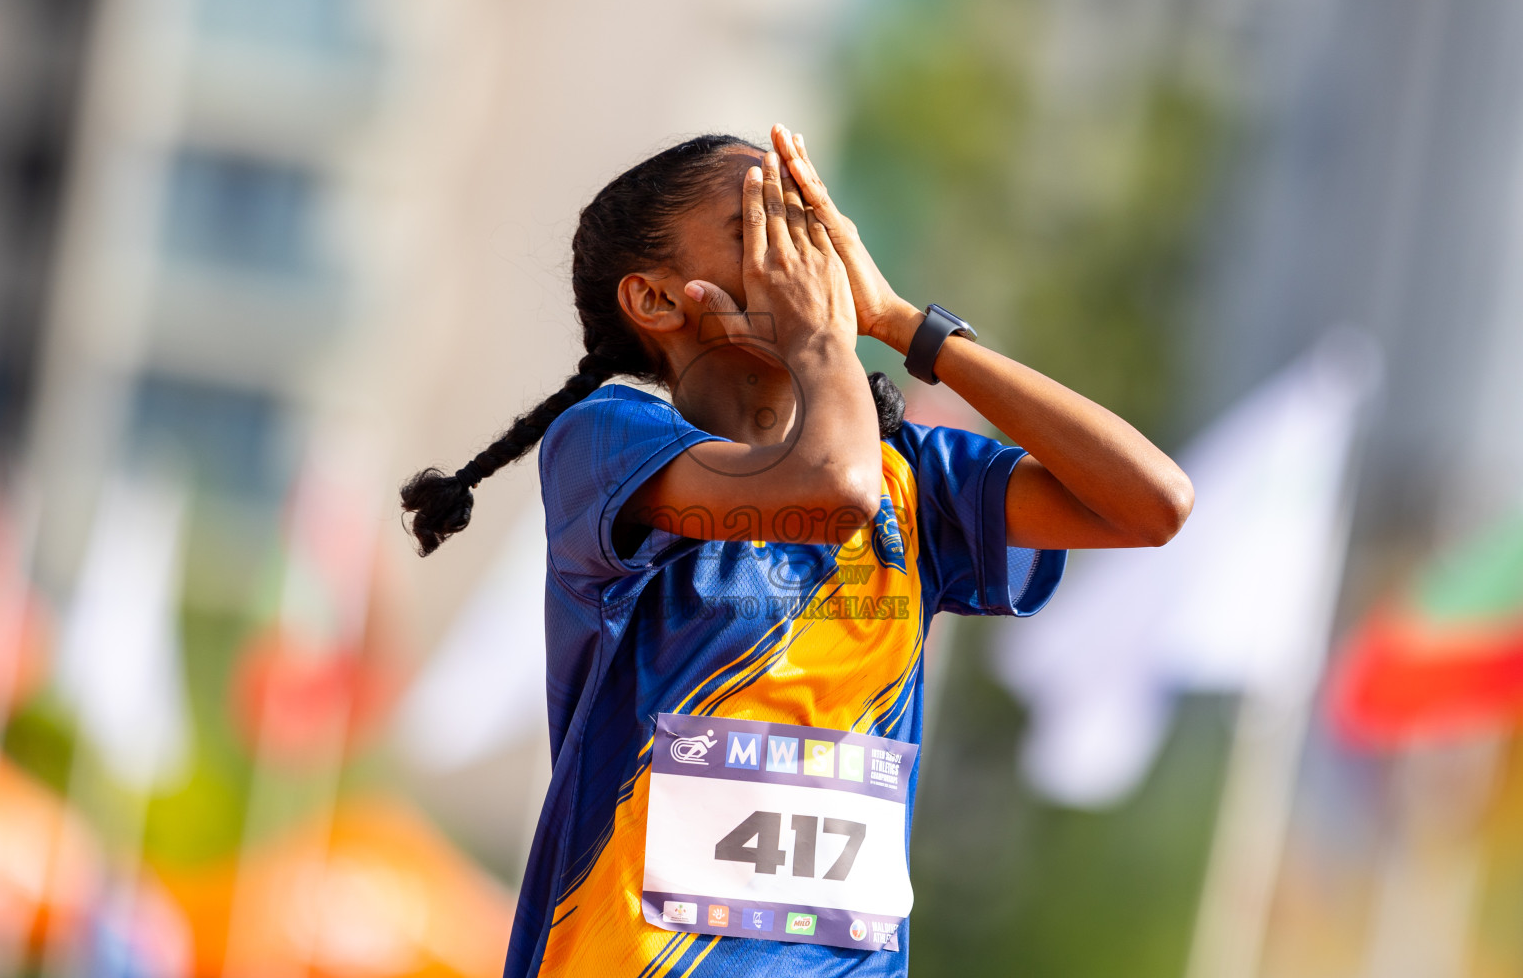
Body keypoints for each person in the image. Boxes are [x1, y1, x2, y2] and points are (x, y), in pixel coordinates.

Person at [400, 125, 1194, 977]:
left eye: (812, 219)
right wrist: (821, 342)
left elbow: (1153, 503)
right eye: (764, 227)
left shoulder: (915, 482)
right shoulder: (605, 442)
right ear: (658, 302)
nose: (808, 254)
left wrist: (900, 324)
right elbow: (831, 492)